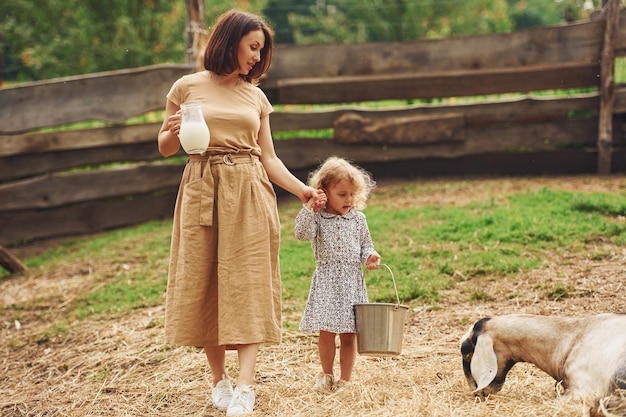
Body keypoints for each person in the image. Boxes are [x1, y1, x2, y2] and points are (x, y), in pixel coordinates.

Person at [157, 10, 323, 416]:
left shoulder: (256, 96)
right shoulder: (186, 86)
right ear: (229, 40)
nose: (256, 57)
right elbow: (164, 147)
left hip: (249, 188)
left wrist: (302, 189)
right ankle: (220, 381)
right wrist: (173, 130)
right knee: (204, 280)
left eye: (261, 50)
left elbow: (268, 156)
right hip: (201, 184)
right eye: (252, 47)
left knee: (249, 281)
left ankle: (246, 386)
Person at [294, 156, 381, 391]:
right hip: (327, 281)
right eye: (342, 194)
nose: (349, 200)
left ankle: (346, 379)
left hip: (352, 282)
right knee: (327, 331)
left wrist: (370, 256)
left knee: (349, 334)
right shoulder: (318, 218)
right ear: (324, 191)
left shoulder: (358, 219)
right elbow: (301, 234)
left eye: (352, 194)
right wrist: (310, 207)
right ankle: (326, 375)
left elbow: (366, 246)